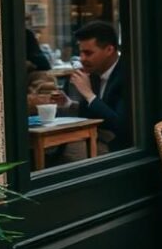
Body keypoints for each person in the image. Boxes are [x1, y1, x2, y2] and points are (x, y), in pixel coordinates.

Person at [53, 20, 130, 151]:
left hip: (122, 150)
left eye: (88, 53)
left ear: (109, 50)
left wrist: (88, 94)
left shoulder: (127, 74)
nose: (82, 59)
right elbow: (92, 114)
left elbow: (120, 125)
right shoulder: (94, 73)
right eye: (81, 52)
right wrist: (69, 104)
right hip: (95, 142)